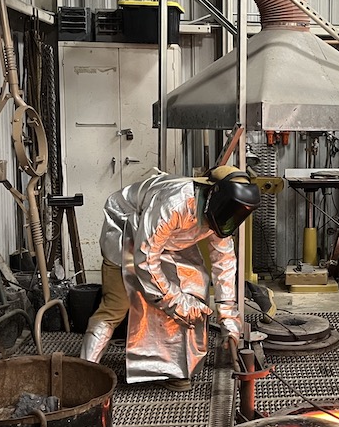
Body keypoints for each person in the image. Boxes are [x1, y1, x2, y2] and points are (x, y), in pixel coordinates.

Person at [80, 166, 263, 391]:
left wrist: (228, 319)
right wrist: (174, 302)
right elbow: (146, 259)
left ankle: (169, 369)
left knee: (194, 286)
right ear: (213, 195)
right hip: (128, 225)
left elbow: (223, 264)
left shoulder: (221, 213)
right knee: (117, 305)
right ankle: (83, 373)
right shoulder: (175, 204)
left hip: (168, 238)